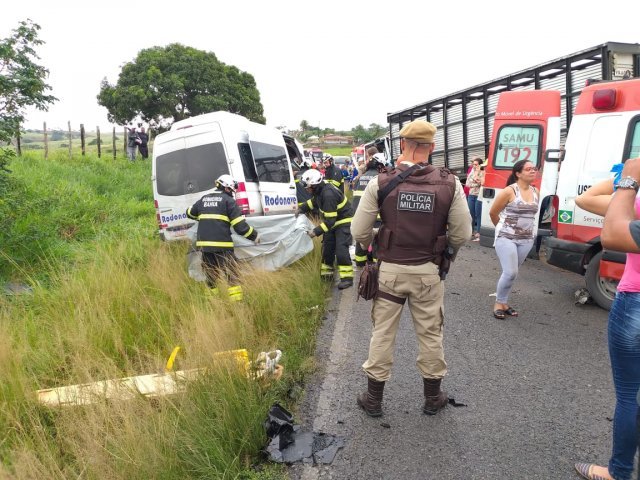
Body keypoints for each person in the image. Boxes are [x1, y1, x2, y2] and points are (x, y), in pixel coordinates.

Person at [351, 119, 471, 417]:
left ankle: (373, 399)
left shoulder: (381, 181)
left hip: (390, 272)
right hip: (428, 273)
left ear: (402, 145)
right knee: (430, 334)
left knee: (382, 334)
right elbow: (462, 234)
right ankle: (433, 398)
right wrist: (447, 255)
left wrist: (373, 247)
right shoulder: (450, 183)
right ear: (432, 147)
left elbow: (359, 230)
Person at [573, 161, 640, 480]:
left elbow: (585, 201)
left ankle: (619, 471)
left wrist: (626, 178)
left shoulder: (634, 204)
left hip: (635, 302)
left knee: (630, 395)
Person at [186, 174, 260, 301]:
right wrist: (254, 236)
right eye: (231, 190)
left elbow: (189, 213)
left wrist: (200, 213)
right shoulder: (228, 201)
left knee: (210, 276)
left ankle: (212, 302)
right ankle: (237, 302)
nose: (232, 193)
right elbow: (240, 227)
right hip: (223, 247)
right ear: (226, 188)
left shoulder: (204, 199)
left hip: (205, 248)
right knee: (232, 274)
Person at [488, 160, 539, 319]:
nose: (533, 171)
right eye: (528, 169)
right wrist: (502, 230)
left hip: (526, 239)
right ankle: (499, 303)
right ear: (518, 173)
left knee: (512, 273)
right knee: (510, 272)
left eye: (534, 168)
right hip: (506, 237)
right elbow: (493, 213)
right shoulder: (509, 191)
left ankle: (504, 303)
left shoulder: (536, 191)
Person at [298, 168, 354, 289]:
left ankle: (347, 278)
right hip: (332, 222)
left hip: (343, 222)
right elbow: (313, 202)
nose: (306, 190)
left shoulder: (328, 195)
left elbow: (329, 223)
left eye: (307, 187)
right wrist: (300, 209)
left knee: (341, 250)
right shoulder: (319, 191)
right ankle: (327, 277)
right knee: (327, 250)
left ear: (314, 185)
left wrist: (315, 232)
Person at [352, 152, 387, 266]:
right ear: (380, 166)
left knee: (361, 239)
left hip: (359, 216)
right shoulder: (380, 180)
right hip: (376, 218)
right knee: (377, 240)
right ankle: (376, 266)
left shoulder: (359, 178)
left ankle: (361, 265)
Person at [465, 157, 485, 241]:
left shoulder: (483, 172)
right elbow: (467, 184)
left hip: (478, 195)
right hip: (471, 194)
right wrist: (476, 183)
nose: (474, 166)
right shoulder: (472, 172)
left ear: (480, 165)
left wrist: (476, 181)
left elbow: (482, 183)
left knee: (478, 214)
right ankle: (471, 231)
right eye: (473, 164)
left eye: (476, 164)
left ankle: (478, 233)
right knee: (471, 214)